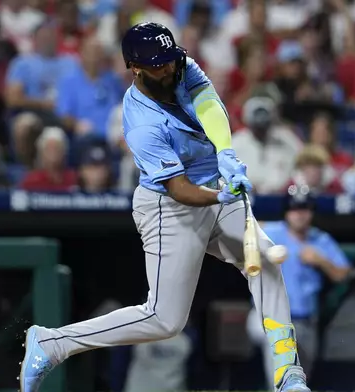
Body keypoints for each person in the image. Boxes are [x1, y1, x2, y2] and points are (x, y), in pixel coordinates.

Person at [19, 22, 311, 392]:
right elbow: (179, 189)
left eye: (170, 61)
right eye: (158, 65)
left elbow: (208, 101)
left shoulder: (180, 66)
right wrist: (220, 197)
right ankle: (53, 343)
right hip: (170, 207)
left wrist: (225, 153)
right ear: (134, 68)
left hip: (212, 182)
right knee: (165, 320)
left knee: (266, 261)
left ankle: (288, 372)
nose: (168, 68)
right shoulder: (140, 121)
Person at [248, 189, 351, 388]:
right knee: (282, 377)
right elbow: (244, 228)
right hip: (270, 317)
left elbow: (343, 274)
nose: (300, 214)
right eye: (294, 209)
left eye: (305, 208)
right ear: (286, 212)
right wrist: (252, 255)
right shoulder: (272, 231)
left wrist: (321, 261)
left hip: (306, 322)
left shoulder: (321, 240)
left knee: (300, 378)